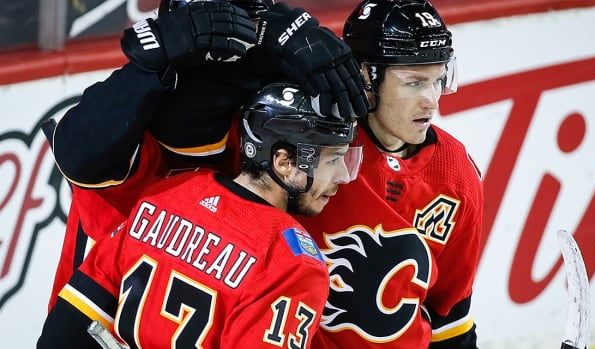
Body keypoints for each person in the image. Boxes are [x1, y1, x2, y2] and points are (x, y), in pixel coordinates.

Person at [45, 0, 367, 311]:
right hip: (97, 325)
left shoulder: (259, 123)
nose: (237, 58)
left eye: (249, 38)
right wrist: (146, 63)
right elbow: (77, 150)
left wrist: (289, 33)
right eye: (220, 41)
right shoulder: (129, 136)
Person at [37, 82, 363, 348]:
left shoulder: (167, 194)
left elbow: (65, 330)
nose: (343, 178)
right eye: (332, 160)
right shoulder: (292, 263)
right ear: (283, 161)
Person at [295, 1, 484, 348]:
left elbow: (450, 311)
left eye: (438, 80)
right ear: (365, 76)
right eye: (413, 82)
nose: (431, 101)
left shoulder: (457, 173)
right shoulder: (308, 148)